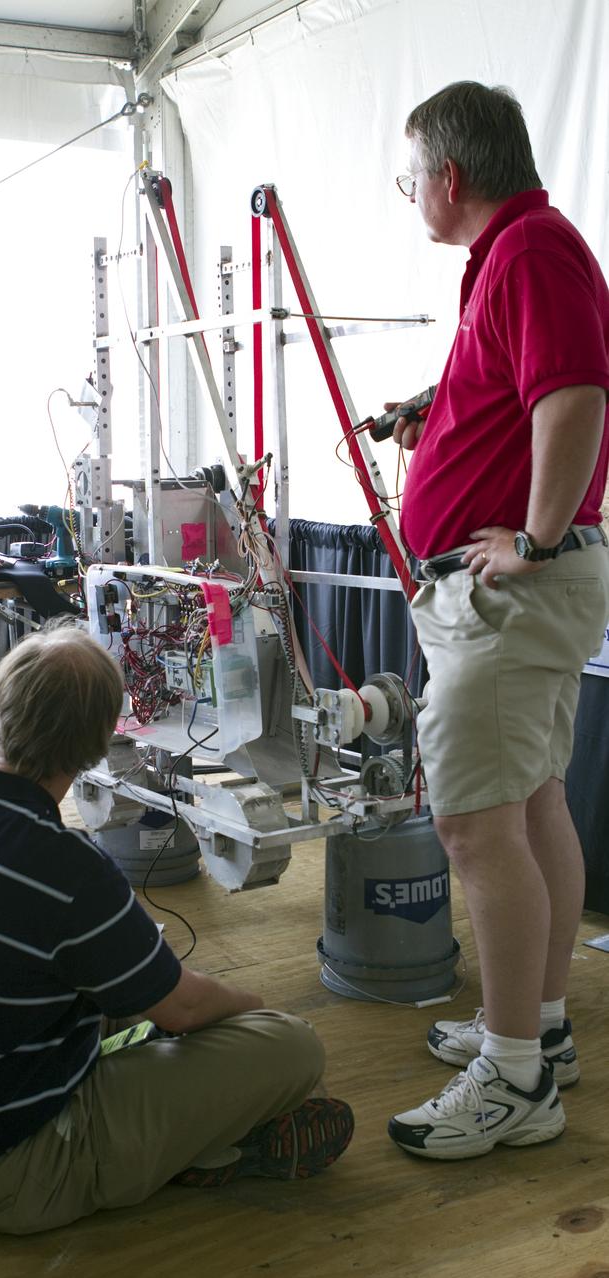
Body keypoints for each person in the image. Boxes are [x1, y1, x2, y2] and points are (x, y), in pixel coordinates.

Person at [0, 624, 353, 1233]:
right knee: (293, 1046)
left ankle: (182, 1133)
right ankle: (198, 1150)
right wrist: (252, 1012)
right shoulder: (67, 869)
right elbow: (182, 1010)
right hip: (0, 1175)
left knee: (108, 983)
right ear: (97, 745)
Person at [384, 81, 609, 1160]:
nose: (407, 190)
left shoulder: (528, 251)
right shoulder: (513, 256)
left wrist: (536, 538)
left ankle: (513, 1076)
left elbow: (573, 397)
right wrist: (438, 420)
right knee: (526, 806)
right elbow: (522, 398)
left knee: (472, 825)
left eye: (408, 172)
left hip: (507, 595)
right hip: (509, 597)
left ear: (450, 176)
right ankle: (540, 1027)